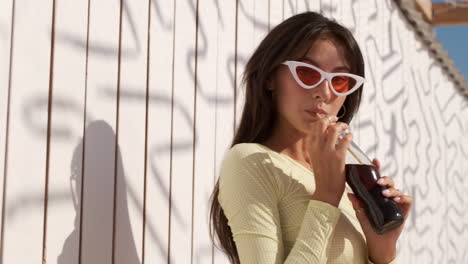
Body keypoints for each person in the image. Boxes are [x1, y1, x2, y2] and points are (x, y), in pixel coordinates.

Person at [209, 11, 413, 264]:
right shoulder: (252, 162)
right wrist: (326, 195)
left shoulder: (350, 181)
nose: (324, 93)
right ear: (271, 77)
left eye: (339, 81)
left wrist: (382, 253)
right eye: (307, 73)